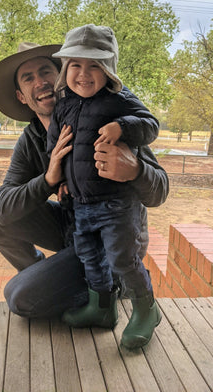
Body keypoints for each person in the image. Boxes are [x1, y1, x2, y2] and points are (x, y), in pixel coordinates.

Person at [0, 41, 169, 330]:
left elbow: (160, 190)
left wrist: (135, 170)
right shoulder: (31, 139)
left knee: (20, 297)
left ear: (61, 76)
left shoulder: (106, 118)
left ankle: (114, 286)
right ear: (21, 96)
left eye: (45, 71)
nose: (40, 82)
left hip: (112, 236)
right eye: (28, 78)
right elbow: (3, 211)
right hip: (72, 228)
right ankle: (44, 274)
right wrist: (48, 179)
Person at [47, 24, 161, 348]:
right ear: (66, 68)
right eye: (76, 65)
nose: (84, 74)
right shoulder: (63, 104)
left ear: (109, 68)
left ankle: (146, 309)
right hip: (82, 203)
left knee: (122, 259)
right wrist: (63, 181)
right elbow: (55, 145)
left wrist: (122, 126)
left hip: (117, 205)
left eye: (94, 65)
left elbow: (151, 125)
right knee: (89, 256)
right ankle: (101, 309)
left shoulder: (120, 100)